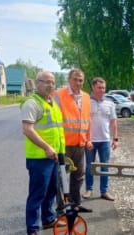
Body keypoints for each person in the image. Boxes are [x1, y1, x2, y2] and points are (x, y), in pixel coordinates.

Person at [21, 71, 65, 235]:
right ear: (37, 83)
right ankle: (32, 228)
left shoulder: (52, 103)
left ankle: (48, 220)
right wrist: (46, 147)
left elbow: (57, 130)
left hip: (54, 156)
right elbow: (27, 129)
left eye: (52, 82)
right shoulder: (32, 103)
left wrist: (60, 152)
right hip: (39, 158)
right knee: (37, 194)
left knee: (52, 191)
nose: (50, 85)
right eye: (46, 82)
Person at [54, 68, 93, 213]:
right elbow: (55, 121)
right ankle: (62, 207)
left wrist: (88, 139)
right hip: (64, 145)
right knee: (62, 177)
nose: (78, 82)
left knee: (78, 176)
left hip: (80, 144)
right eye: (75, 79)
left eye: (81, 80)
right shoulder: (59, 95)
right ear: (69, 80)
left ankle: (75, 205)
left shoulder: (86, 97)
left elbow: (87, 120)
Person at [82, 77, 118, 201]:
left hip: (105, 141)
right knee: (89, 166)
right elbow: (83, 122)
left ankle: (104, 191)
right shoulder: (86, 102)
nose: (102, 90)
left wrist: (115, 139)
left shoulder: (110, 103)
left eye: (103, 88)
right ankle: (89, 189)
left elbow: (113, 122)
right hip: (90, 140)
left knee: (105, 166)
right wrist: (86, 139)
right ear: (93, 88)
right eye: (99, 88)